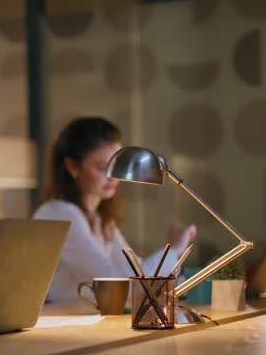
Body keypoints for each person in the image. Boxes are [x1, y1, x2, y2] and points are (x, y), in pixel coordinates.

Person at [32, 117, 196, 302]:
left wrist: (189, 275)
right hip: (59, 319)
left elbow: (133, 269)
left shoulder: (100, 217)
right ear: (72, 167)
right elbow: (116, 284)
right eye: (102, 168)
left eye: (116, 166)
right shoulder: (60, 214)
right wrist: (173, 250)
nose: (112, 177)